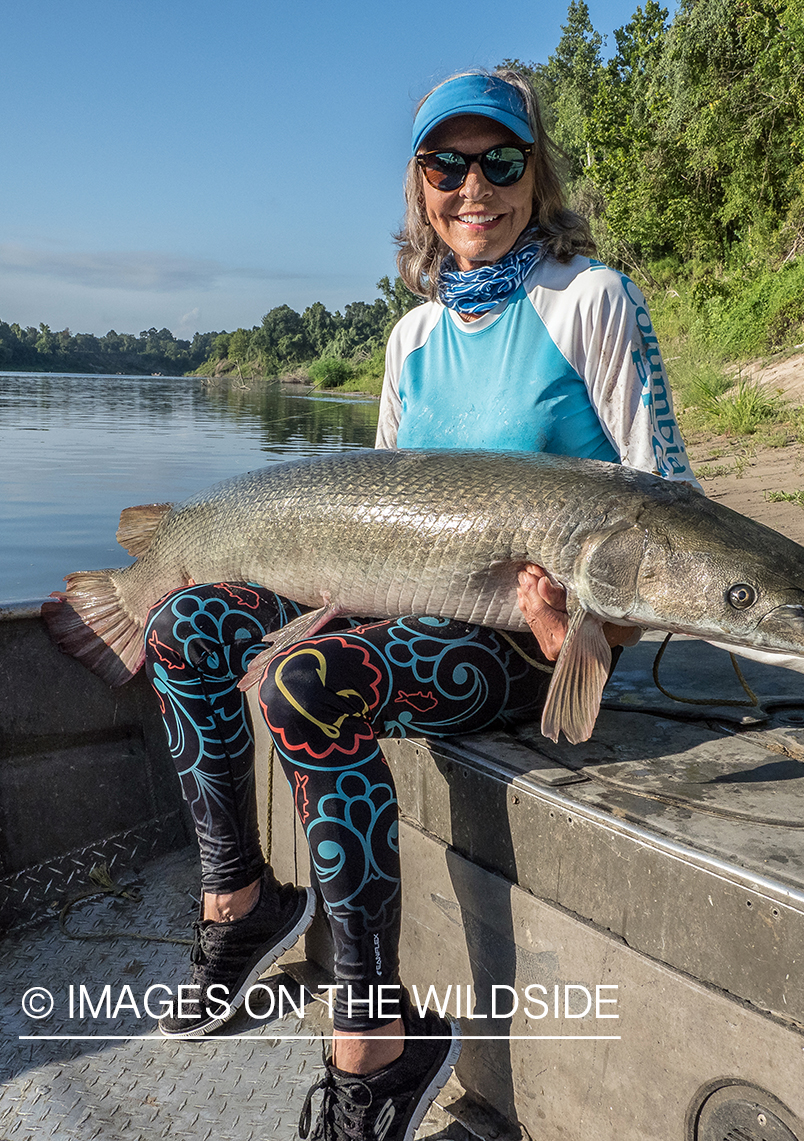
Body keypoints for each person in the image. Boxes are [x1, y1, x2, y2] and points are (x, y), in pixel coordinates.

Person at [142, 69, 698, 1141]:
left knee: (304, 690)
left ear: (538, 171)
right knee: (186, 627)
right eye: (447, 164)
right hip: (418, 614)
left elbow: (673, 525)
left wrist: (590, 628)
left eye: (501, 159)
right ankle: (240, 899)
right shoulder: (412, 338)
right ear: (420, 186)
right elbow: (385, 506)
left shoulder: (592, 300)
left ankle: (376, 1042)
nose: (473, 186)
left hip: (537, 641)